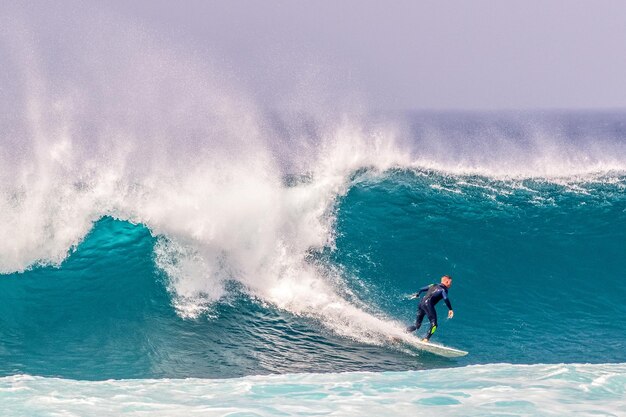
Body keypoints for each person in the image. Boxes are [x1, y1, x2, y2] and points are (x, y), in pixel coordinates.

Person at [406, 275, 454, 342]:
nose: (451, 284)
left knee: (417, 325)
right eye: (450, 282)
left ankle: (405, 332)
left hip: (421, 303)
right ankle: (426, 339)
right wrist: (450, 309)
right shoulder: (444, 290)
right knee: (434, 325)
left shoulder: (433, 285)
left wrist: (418, 294)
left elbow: (421, 289)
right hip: (428, 304)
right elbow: (445, 298)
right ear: (447, 281)